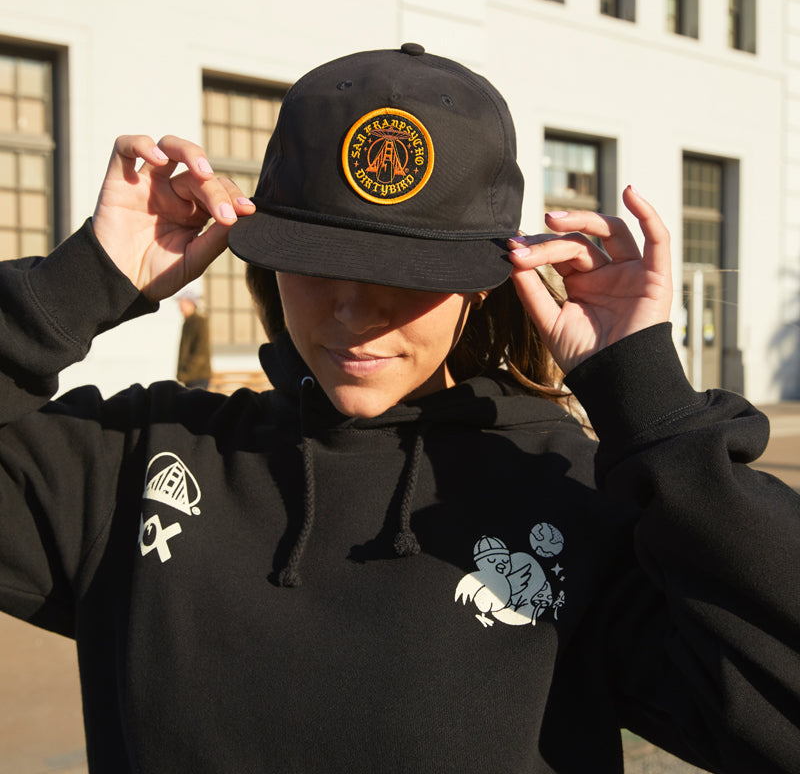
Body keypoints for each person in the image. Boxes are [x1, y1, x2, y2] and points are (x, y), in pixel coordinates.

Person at [0, 44, 798, 774]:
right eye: (317, 262)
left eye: (406, 272)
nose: (355, 309)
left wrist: (652, 406)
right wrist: (77, 285)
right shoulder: (140, 463)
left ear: (484, 284)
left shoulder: (573, 503)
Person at [176, 289, 212, 389]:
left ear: (190, 303)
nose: (179, 306)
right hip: (190, 377)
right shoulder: (187, 322)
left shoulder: (199, 321)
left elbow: (200, 352)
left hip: (198, 377)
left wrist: (185, 374)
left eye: (182, 303)